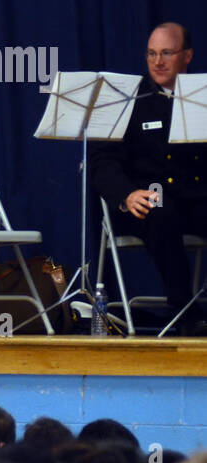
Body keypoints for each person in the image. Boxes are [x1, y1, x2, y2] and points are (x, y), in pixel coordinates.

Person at [91, 22, 206, 334]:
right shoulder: (126, 98)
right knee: (160, 210)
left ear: (187, 56)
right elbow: (102, 162)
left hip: (191, 198)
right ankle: (184, 311)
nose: (158, 62)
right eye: (152, 54)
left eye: (167, 53)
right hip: (141, 202)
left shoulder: (201, 98)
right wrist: (127, 194)